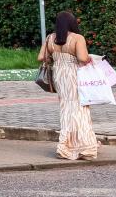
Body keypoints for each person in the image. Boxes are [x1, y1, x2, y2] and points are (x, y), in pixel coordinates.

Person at [38, 10, 99, 161]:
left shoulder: (50, 38)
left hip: (59, 75)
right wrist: (91, 58)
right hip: (74, 74)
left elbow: (41, 57)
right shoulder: (77, 38)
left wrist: (56, 57)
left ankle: (66, 145)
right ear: (73, 23)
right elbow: (82, 57)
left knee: (66, 107)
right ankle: (84, 147)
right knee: (80, 108)